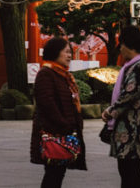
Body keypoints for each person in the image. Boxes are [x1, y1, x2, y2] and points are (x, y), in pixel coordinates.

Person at [102, 25, 140, 188]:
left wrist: (110, 111)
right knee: (131, 173)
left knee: (130, 174)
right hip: (131, 130)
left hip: (133, 130)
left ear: (128, 45)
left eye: (121, 45)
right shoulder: (138, 65)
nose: (120, 50)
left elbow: (129, 94)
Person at [30, 37, 86, 188]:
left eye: (71, 53)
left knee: (57, 174)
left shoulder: (63, 75)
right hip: (54, 133)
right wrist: (65, 124)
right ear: (55, 52)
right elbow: (47, 104)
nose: (70, 56)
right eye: (66, 52)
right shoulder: (46, 74)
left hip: (64, 133)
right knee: (53, 175)